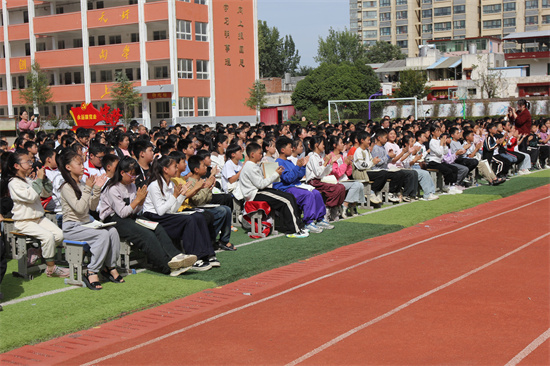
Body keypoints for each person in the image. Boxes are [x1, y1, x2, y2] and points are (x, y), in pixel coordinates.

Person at [99, 157, 197, 276]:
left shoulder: (132, 186)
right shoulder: (112, 188)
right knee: (146, 235)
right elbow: (122, 213)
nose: (134, 178)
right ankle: (167, 266)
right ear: (122, 173)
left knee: (157, 227)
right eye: (131, 175)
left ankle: (176, 256)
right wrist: (137, 200)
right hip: (114, 220)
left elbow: (136, 210)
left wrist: (140, 202)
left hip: (130, 216)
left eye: (135, 175)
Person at [58, 150, 121, 290]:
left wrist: (97, 188)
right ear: (68, 167)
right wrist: (88, 188)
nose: (82, 166)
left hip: (86, 224)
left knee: (113, 231)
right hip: (72, 227)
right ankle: (92, 270)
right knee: (103, 234)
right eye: (79, 164)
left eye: (82, 163)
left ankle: (110, 267)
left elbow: (92, 206)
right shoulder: (67, 187)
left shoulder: (81, 184)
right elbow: (80, 209)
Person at [142, 155, 217, 271]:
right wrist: (176, 196)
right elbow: (161, 211)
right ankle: (195, 257)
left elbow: (173, 210)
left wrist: (181, 195)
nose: (177, 169)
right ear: (165, 170)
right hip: (153, 217)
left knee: (199, 217)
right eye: (174, 167)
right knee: (189, 220)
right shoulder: (154, 185)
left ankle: (209, 254)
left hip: (166, 215)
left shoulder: (171, 184)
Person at [1, 151, 67, 277]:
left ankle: (37, 252)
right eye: (28, 162)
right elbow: (30, 197)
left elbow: (45, 194)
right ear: (17, 166)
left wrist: (45, 179)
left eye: (31, 161)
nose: (31, 164)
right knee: (48, 237)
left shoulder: (28, 180)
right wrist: (39, 180)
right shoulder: (13, 183)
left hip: (38, 218)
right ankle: (51, 268)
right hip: (24, 221)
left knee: (59, 235)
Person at [234, 142, 308, 238]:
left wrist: (274, 172)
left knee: (289, 197)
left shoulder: (254, 165)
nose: (261, 155)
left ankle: (298, 225)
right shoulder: (249, 167)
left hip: (260, 191)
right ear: (252, 154)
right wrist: (276, 174)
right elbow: (260, 184)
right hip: (255, 194)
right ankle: (293, 230)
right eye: (260, 153)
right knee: (286, 201)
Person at [274, 136, 332, 233]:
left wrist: (303, 166)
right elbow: (288, 179)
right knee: (307, 195)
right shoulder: (278, 162)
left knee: (316, 193)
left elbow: (299, 176)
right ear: (283, 150)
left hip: (296, 186)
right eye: (290, 147)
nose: (292, 148)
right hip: (287, 188)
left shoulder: (288, 161)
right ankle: (308, 222)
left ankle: (320, 219)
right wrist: (298, 166)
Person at [186, 155, 236, 251]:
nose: (206, 168)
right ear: (196, 169)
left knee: (227, 209)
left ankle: (224, 240)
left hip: (204, 205)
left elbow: (207, 199)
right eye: (203, 166)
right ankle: (209, 240)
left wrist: (209, 188)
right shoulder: (190, 182)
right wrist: (206, 187)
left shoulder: (200, 180)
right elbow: (197, 201)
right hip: (196, 208)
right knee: (221, 211)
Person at [326, 135, 370, 216]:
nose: (343, 144)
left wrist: (349, 164)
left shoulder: (342, 156)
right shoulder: (331, 157)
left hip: (345, 180)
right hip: (337, 181)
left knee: (360, 184)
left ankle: (352, 205)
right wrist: (345, 164)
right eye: (341, 143)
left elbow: (349, 173)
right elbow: (337, 173)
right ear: (334, 145)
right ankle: (345, 205)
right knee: (356, 185)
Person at [305, 136, 346, 221]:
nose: (324, 146)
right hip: (313, 182)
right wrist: (326, 162)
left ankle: (334, 208)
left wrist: (330, 163)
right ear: (317, 145)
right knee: (335, 188)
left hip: (320, 180)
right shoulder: (312, 157)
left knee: (341, 187)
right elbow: (318, 173)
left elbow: (325, 172)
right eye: (323, 144)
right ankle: (327, 210)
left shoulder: (319, 156)